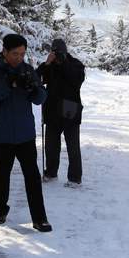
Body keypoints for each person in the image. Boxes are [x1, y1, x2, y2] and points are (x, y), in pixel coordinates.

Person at [0, 33, 52, 232]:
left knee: (32, 176)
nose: (19, 58)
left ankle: (39, 218)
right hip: (1, 133)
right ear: (4, 51)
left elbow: (40, 99)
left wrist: (33, 89)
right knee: (1, 173)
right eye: (15, 54)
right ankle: (0, 210)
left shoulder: (27, 70)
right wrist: (8, 84)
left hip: (25, 133)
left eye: (22, 54)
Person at [37, 38, 86, 186]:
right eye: (55, 53)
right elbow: (36, 78)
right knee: (51, 145)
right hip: (52, 109)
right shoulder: (49, 65)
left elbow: (76, 81)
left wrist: (63, 63)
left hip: (70, 107)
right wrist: (47, 63)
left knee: (73, 146)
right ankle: (51, 173)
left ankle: (75, 178)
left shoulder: (75, 64)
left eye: (59, 53)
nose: (57, 57)